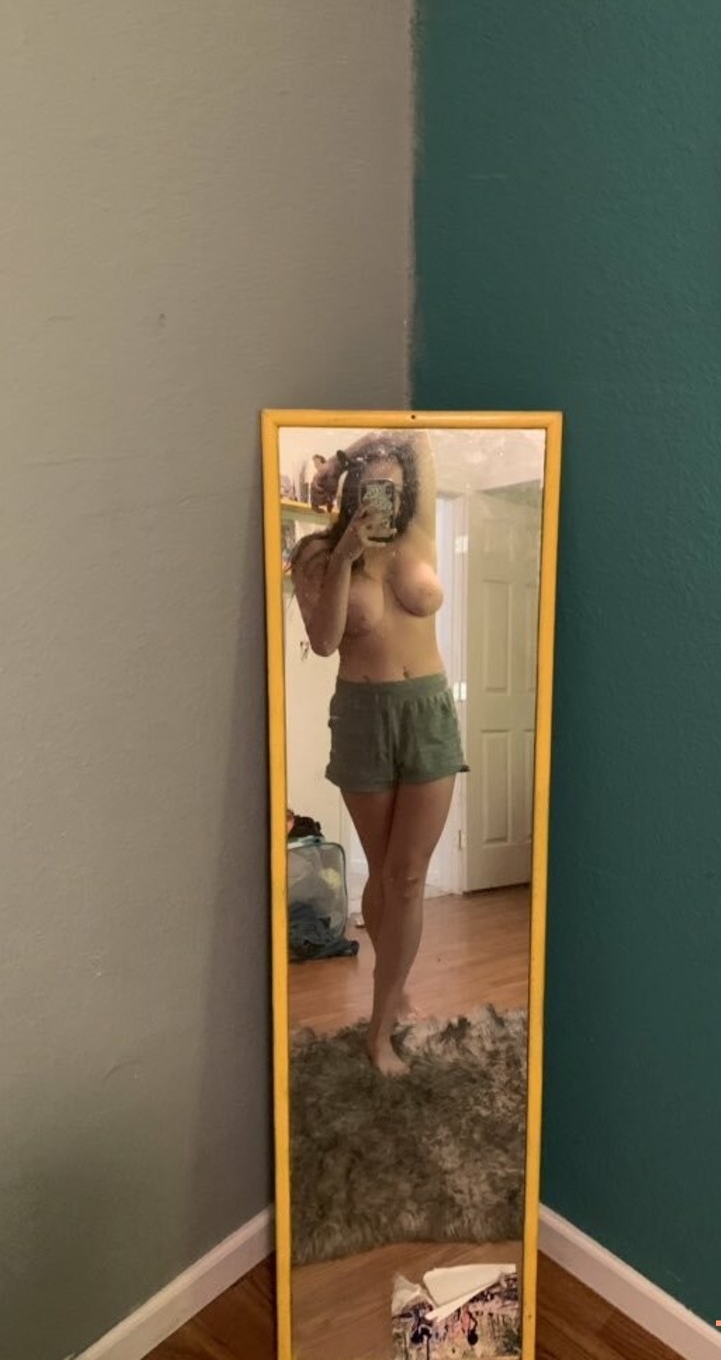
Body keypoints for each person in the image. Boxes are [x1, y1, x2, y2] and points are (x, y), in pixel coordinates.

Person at [289, 431, 467, 1075]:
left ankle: (381, 1021)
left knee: (409, 876)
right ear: (349, 491)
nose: (380, 493)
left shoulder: (417, 535)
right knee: (385, 872)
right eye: (368, 483)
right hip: (363, 716)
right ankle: (389, 998)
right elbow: (325, 640)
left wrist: (346, 454)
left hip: (429, 711)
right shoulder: (316, 552)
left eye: (390, 484)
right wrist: (345, 557)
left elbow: (414, 434)